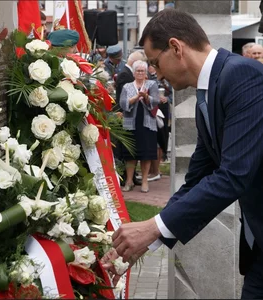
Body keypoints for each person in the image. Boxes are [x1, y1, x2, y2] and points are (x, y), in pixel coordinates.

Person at [102, 9, 263, 298]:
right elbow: (197, 180)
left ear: (176, 47)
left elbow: (233, 175)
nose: (154, 72)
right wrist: (148, 239)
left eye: (154, 62)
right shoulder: (208, 91)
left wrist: (152, 226)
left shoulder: (241, 76)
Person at [119, 60, 159, 193]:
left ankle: (145, 181)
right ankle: (129, 181)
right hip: (131, 123)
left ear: (146, 72)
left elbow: (156, 100)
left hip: (147, 123)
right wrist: (135, 98)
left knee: (146, 153)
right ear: (134, 72)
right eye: (138, 71)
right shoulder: (127, 86)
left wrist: (146, 97)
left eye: (142, 71)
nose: (140, 73)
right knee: (130, 153)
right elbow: (123, 103)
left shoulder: (151, 84)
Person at [113, 50, 148, 187]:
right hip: (126, 113)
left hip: (134, 115)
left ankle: (131, 177)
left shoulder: (126, 74)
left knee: (132, 147)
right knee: (126, 148)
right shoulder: (124, 75)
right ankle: (126, 176)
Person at [148, 65, 173, 178]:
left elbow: (173, 94)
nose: (152, 69)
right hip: (150, 108)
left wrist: (167, 99)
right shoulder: (146, 77)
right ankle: (152, 170)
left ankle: (156, 170)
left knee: (162, 137)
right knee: (152, 139)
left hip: (162, 110)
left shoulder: (167, 77)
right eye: (151, 66)